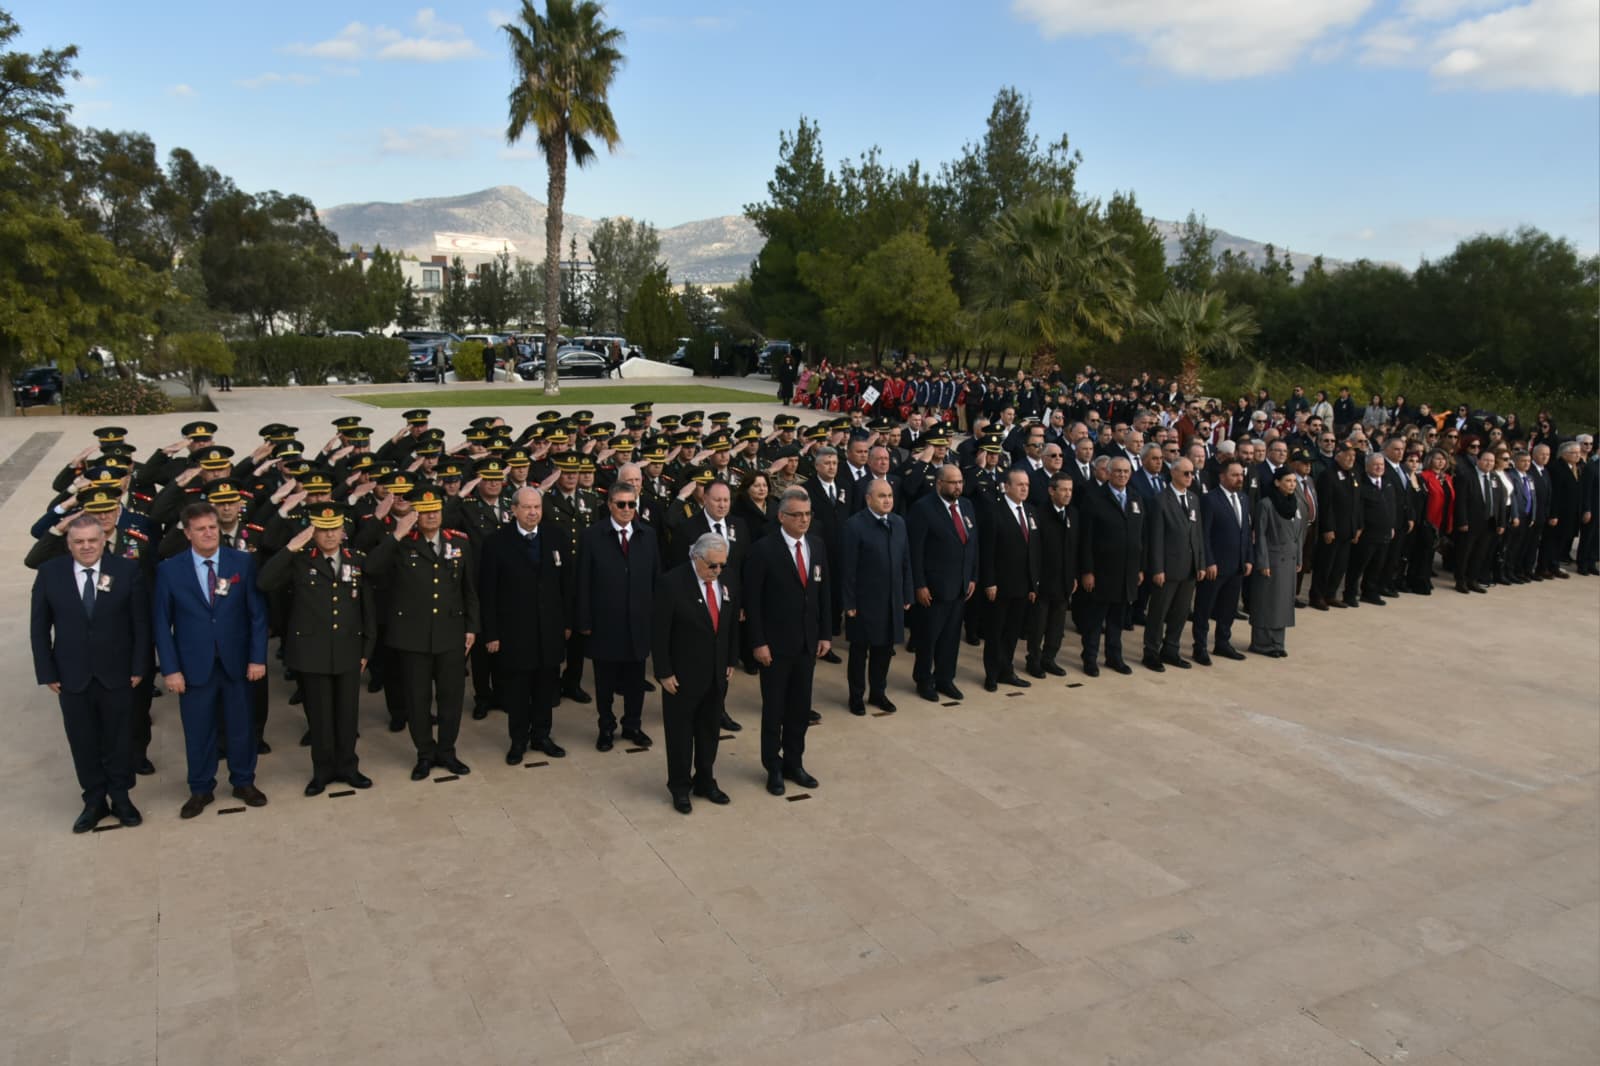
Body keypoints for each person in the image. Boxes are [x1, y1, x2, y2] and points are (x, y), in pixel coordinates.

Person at [29, 512, 151, 832]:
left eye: (92, 541)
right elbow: (39, 628)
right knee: (82, 740)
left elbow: (141, 624)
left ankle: (121, 797)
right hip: (71, 676)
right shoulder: (49, 573)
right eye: (79, 541)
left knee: (119, 739)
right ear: (68, 544)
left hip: (119, 673)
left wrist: (140, 666)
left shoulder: (126, 570)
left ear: (103, 540)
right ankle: (94, 800)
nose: (86, 547)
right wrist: (47, 671)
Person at [153, 501, 270, 819]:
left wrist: (258, 658)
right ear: (187, 533)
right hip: (193, 668)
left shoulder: (242, 563)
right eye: (200, 529)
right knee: (198, 730)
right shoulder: (169, 569)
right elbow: (162, 624)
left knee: (241, 727)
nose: (208, 533)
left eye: (212, 527)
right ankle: (201, 788)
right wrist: (171, 669)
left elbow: (257, 615)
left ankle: (244, 782)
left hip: (236, 663)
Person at [257, 503, 376, 795]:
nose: (330, 535)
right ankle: (322, 771)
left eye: (334, 529)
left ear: (343, 531)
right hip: (312, 650)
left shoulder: (356, 560)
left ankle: (349, 767)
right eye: (323, 530)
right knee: (320, 717)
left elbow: (367, 608)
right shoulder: (299, 561)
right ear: (313, 532)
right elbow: (264, 581)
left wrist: (367, 648)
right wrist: (291, 547)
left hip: (349, 648)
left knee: (348, 716)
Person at [364, 488, 478, 781]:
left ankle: (447, 751)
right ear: (416, 514)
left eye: (435, 511)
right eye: (425, 512)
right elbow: (371, 568)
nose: (431, 516)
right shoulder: (402, 543)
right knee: (418, 699)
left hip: (451, 633)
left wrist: (472, 627)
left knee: (451, 697)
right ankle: (424, 754)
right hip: (412, 636)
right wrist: (396, 534)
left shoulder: (459, 543)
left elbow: (470, 591)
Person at [743, 487, 831, 796]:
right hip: (775, 647)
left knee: (800, 708)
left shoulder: (817, 546)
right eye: (797, 515)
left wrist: (825, 634)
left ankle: (795, 762)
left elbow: (823, 594)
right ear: (781, 517)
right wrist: (758, 642)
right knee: (775, 710)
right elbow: (752, 602)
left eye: (807, 514)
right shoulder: (763, 549)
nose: (803, 520)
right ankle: (773, 766)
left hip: (807, 643)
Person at [480, 487, 573, 765]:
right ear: (514, 510)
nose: (533, 512)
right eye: (527, 507)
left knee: (546, 688)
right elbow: (488, 592)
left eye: (537, 507)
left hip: (549, 630)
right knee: (518, 692)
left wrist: (567, 622)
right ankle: (518, 740)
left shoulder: (556, 536)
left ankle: (541, 736)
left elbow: (566, 585)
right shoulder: (496, 542)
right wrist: (492, 633)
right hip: (515, 632)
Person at [652, 533, 737, 813]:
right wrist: (663, 672)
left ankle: (705, 780)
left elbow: (729, 624)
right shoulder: (671, 584)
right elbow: (659, 632)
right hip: (682, 675)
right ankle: (679, 786)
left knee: (709, 730)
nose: (717, 571)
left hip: (715, 673)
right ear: (695, 558)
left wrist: (730, 659)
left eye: (722, 565)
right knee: (680, 734)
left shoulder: (724, 581)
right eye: (712, 565)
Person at [577, 483, 659, 752]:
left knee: (636, 682)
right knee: (605, 683)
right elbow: (583, 581)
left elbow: (657, 579)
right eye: (621, 504)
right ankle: (606, 727)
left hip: (639, 622)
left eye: (631, 504)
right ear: (610, 505)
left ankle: (632, 725)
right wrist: (585, 620)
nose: (627, 510)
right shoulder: (592, 536)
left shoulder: (648, 535)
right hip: (605, 623)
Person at [838, 479, 914, 715]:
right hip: (864, 601)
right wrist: (848, 602)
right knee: (860, 652)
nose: (887, 500)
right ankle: (856, 696)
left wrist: (907, 592)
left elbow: (905, 561)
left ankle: (878, 693)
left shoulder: (898, 522)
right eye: (882, 496)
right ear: (868, 499)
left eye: (890, 495)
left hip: (891, 600)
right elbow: (847, 568)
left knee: (884, 651)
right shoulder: (855, 525)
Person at [907, 464, 978, 702]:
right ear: (939, 484)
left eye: (960, 482)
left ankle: (945, 678)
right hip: (933, 588)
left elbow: (972, 545)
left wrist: (972, 577)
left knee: (950, 638)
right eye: (952, 482)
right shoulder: (923, 509)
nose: (958, 486)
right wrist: (919, 584)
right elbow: (915, 551)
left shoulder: (966, 506)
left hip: (959, 586)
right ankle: (924, 680)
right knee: (929, 638)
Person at [1075, 457, 1144, 676]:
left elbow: (1141, 536)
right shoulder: (1094, 498)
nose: (1122, 475)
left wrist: (1139, 568)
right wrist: (1087, 571)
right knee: (1095, 621)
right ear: (1108, 473)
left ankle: (1114, 657)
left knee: (1117, 619)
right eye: (1117, 471)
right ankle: (1090, 658)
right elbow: (1085, 539)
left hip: (1126, 572)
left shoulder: (1135, 498)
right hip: (1101, 572)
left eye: (1126, 471)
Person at [1142, 458, 1207, 671]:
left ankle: (1171, 649)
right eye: (1186, 473)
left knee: (1180, 612)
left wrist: (1201, 563)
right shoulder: (1160, 500)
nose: (1190, 477)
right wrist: (1157, 568)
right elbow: (1156, 537)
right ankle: (1151, 652)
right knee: (1158, 613)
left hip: (1189, 566)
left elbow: (1197, 534)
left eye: (1192, 473)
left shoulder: (1193, 499)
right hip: (1168, 567)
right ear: (1173, 473)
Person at [979, 469, 1041, 690]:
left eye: (1026, 484)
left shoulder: (1031, 511)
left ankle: (1007, 670)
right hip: (1000, 584)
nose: (1024, 488)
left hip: (1023, 585)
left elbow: (1033, 551)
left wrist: (1033, 583)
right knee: (996, 632)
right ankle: (992, 674)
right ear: (1007, 486)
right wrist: (989, 581)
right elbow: (987, 551)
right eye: (1019, 484)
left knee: (1013, 633)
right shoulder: (994, 511)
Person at [1194, 458, 1252, 662]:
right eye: (1235, 475)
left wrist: (1247, 558)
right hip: (1215, 566)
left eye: (1241, 475)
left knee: (1228, 609)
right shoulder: (1210, 499)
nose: (1239, 479)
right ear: (1222, 476)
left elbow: (1245, 531)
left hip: (1236, 565)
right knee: (1205, 607)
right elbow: (1204, 533)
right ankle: (1199, 646)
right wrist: (1209, 561)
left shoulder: (1244, 499)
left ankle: (1222, 643)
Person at [1024, 473, 1077, 678]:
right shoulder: (1039, 514)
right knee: (1038, 625)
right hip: (1044, 581)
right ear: (1051, 490)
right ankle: (1034, 660)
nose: (1067, 494)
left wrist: (1073, 576)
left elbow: (1074, 548)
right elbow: (1034, 551)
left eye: (1070, 490)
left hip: (1064, 581)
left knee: (1057, 625)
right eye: (1063, 489)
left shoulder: (1073, 513)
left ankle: (1049, 658)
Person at [1249, 468, 1304, 657]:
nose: (1291, 485)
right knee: (1267, 601)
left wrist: (1299, 557)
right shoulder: (1266, 504)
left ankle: (1278, 643)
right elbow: (1261, 535)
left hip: (1289, 558)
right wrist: (1262, 561)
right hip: (1272, 559)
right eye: (1288, 481)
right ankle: (1262, 643)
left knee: (1283, 603)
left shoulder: (1294, 503)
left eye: (1294, 482)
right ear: (1277, 482)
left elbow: (1299, 534)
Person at [1454, 446, 1503, 594]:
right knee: (1465, 553)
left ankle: (1472, 580)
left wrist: (1501, 522)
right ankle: (1460, 581)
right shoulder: (1466, 476)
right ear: (1478, 461)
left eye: (1492, 461)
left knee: (1480, 553)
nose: (1489, 463)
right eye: (1486, 460)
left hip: (1489, 522)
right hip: (1470, 522)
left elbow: (1499, 502)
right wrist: (1462, 521)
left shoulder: (1494, 477)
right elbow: (1461, 501)